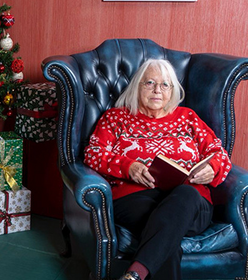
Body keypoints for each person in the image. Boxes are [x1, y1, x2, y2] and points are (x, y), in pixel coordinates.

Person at [84, 58, 232, 280]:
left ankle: (134, 274)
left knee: (184, 195)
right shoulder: (116, 118)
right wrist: (128, 166)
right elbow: (93, 153)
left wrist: (212, 167)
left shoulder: (187, 118)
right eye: (150, 83)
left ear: (172, 90)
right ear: (137, 86)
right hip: (135, 198)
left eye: (165, 85)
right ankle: (135, 275)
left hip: (191, 203)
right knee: (166, 235)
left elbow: (218, 153)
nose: (157, 90)